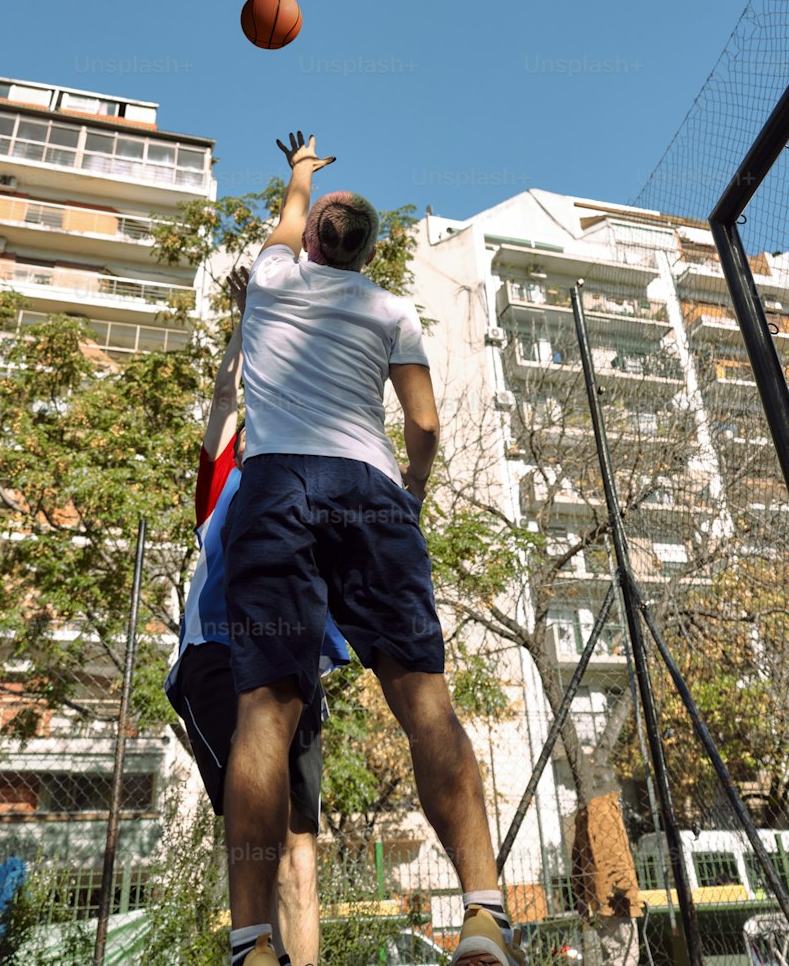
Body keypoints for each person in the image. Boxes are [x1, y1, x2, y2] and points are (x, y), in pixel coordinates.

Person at [220, 131, 525, 966]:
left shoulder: (273, 276)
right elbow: (423, 424)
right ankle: (485, 916)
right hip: (368, 489)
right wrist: (410, 497)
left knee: (265, 711)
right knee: (423, 700)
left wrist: (302, 171)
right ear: (368, 253)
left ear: (314, 240)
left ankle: (249, 945)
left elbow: (287, 215)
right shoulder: (391, 307)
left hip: (277, 484)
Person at [166, 267, 346, 966]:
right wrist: (253, 317)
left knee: (302, 860)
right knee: (262, 848)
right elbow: (224, 394)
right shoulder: (223, 484)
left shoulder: (309, 482)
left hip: (288, 663)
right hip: (216, 657)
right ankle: (252, 948)